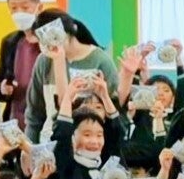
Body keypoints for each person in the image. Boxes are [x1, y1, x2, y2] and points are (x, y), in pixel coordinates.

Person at [24, 10, 119, 142]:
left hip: (91, 144)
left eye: (50, 36)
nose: (47, 44)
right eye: (42, 40)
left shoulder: (101, 61)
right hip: (50, 141)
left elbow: (116, 110)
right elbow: (35, 114)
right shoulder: (44, 61)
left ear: (65, 31)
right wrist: (30, 147)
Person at [0, 0, 44, 128]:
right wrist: (2, 89)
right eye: (14, 8)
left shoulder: (50, 41)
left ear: (39, 8)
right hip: (15, 122)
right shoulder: (9, 42)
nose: (19, 13)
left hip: (44, 121)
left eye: (25, 7)